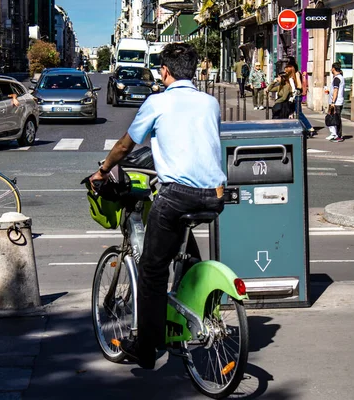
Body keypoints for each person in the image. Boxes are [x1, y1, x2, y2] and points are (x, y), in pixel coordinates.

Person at [88, 43, 226, 370]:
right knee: (185, 252)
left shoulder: (158, 102)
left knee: (152, 271)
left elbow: (126, 144)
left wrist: (103, 170)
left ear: (164, 71)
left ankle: (146, 348)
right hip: (215, 195)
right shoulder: (211, 102)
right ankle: (190, 305)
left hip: (177, 194)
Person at [286, 59, 315, 136]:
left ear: (292, 67)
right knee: (291, 113)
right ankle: (294, 128)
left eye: (288, 66)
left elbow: (299, 86)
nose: (287, 68)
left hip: (297, 96)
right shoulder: (291, 75)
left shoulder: (296, 74)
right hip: (293, 96)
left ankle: (309, 128)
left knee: (299, 113)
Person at [326, 62, 345, 142]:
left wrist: (333, 102)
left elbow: (335, 90)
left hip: (336, 102)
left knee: (335, 118)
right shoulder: (340, 77)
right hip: (337, 101)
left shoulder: (337, 78)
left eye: (331, 68)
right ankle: (334, 134)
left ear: (334, 68)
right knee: (334, 118)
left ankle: (337, 135)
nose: (331, 70)